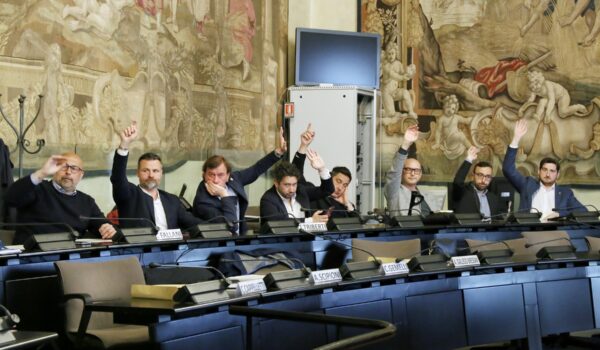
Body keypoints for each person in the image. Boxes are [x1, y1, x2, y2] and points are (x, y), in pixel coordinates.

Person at [5, 153, 117, 244]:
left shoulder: (87, 201)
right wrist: (41, 173)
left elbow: (102, 224)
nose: (68, 172)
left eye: (74, 168)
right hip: (33, 256)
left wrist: (106, 228)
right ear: (55, 169)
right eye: (64, 167)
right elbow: (10, 198)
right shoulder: (37, 188)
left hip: (69, 258)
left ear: (81, 175)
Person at [193, 127, 287, 234]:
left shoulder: (234, 179)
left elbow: (255, 170)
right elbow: (230, 225)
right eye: (211, 175)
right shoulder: (203, 200)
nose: (215, 180)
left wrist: (279, 152)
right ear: (203, 175)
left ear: (228, 175)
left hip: (240, 239)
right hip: (218, 246)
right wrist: (224, 195)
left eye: (220, 175)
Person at [111, 122, 202, 231]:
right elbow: (118, 177)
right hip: (139, 248)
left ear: (161, 173)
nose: (151, 175)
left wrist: (221, 228)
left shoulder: (172, 200)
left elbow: (193, 223)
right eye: (145, 170)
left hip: (171, 248)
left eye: (155, 171)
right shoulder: (128, 195)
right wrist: (124, 145)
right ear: (137, 173)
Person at [502, 119, 586, 221]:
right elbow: (508, 169)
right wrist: (516, 139)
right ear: (539, 171)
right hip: (530, 231)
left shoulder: (565, 193)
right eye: (545, 170)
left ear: (557, 174)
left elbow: (583, 212)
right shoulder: (527, 185)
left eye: (552, 171)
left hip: (555, 231)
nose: (547, 174)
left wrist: (560, 213)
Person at [259, 149, 334, 224]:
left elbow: (327, 190)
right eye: (287, 185)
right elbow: (278, 223)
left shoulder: (300, 191)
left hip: (306, 235)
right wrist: (310, 220)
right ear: (276, 183)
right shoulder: (268, 199)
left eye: (294, 184)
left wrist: (322, 169)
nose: (291, 189)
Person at [384, 124, 432, 216]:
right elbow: (394, 173)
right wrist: (405, 144)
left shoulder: (425, 195)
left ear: (420, 174)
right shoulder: (394, 191)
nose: (413, 173)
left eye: (416, 170)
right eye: (408, 169)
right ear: (402, 171)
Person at [451, 146, 504, 218]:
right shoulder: (463, 193)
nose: (483, 180)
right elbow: (458, 182)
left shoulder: (493, 198)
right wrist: (469, 159)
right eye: (480, 175)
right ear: (473, 176)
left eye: (488, 176)